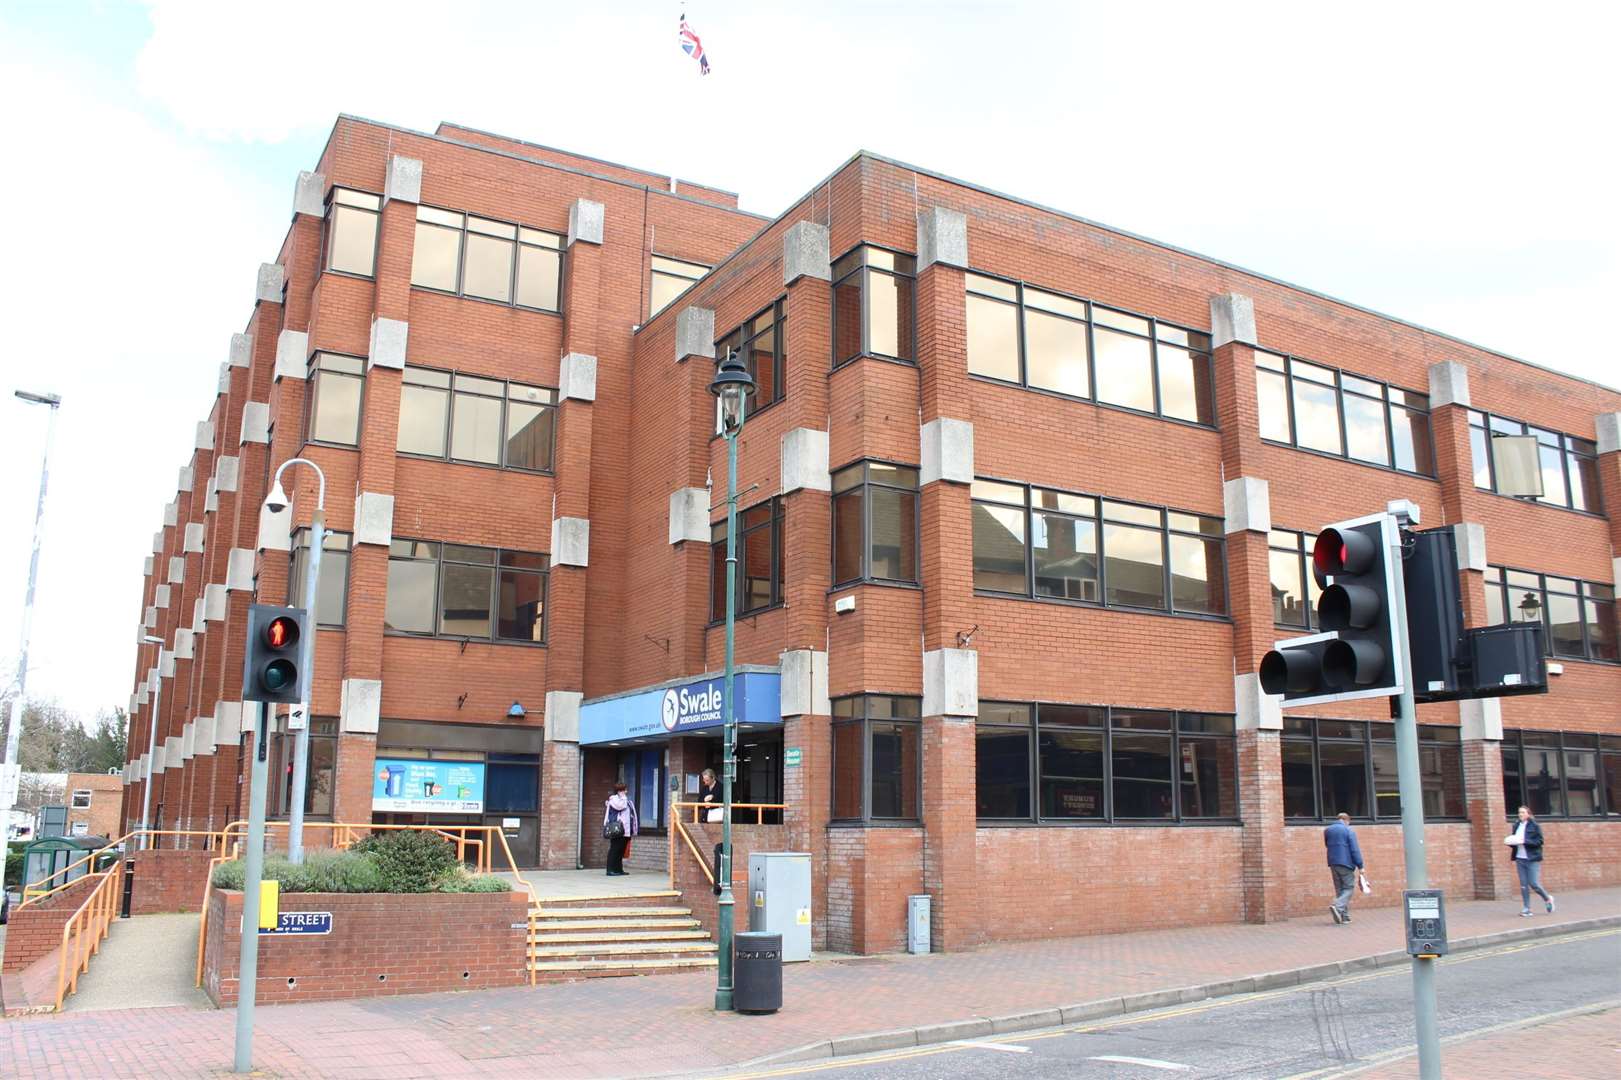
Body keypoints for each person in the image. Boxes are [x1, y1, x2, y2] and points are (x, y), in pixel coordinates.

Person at [1504, 804, 1553, 917]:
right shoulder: (1516, 825)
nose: (1520, 814)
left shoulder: (1534, 826)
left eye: (1523, 812)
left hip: (1532, 858)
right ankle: (1527, 908)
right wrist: (1511, 842)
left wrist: (1524, 841)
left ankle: (1547, 899)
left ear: (1528, 814)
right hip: (1520, 858)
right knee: (1523, 885)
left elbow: (1539, 842)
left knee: (1534, 883)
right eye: (1519, 812)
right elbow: (1516, 842)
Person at [1324, 811, 1364, 924]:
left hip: (1332, 862)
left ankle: (1344, 916)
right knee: (1349, 888)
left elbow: (1327, 845)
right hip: (1345, 863)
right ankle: (1337, 906)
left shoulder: (1328, 830)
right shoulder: (1348, 830)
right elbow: (1354, 849)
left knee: (1340, 890)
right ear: (1347, 820)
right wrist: (1360, 865)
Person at [603, 782, 639, 877]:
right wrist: (622, 797)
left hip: (626, 830)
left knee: (621, 850)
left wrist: (633, 828)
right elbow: (621, 806)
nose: (626, 791)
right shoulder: (615, 799)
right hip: (617, 829)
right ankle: (610, 870)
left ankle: (618, 869)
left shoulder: (626, 800)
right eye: (624, 790)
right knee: (615, 849)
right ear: (619, 791)